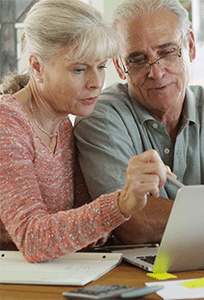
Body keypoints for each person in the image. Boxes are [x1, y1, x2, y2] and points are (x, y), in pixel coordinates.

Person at [74, 0, 204, 245]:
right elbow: (133, 224)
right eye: (137, 60)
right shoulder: (100, 119)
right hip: (138, 276)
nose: (156, 72)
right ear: (120, 66)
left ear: (191, 46)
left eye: (167, 52)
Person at [0, 0, 173, 263]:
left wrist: (132, 188)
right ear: (37, 67)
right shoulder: (6, 122)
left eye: (101, 67)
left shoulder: (62, 123)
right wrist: (122, 203)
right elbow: (32, 239)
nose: (96, 83)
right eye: (79, 70)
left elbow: (86, 226)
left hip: (55, 274)